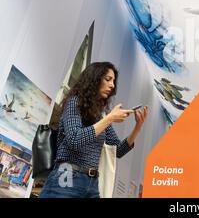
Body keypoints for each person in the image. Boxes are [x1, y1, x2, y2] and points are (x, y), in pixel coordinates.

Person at [39, 62, 148, 198]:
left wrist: (137, 128)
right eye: (108, 79)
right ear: (94, 79)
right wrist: (109, 119)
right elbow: (74, 139)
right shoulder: (74, 102)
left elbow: (118, 151)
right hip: (67, 176)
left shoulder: (100, 116)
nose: (112, 85)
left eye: (113, 81)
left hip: (92, 184)